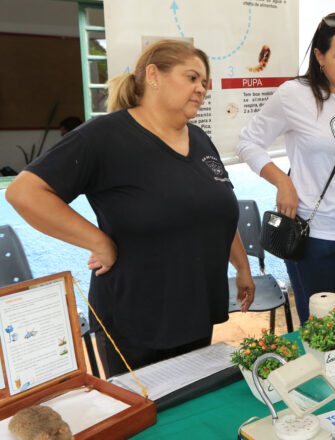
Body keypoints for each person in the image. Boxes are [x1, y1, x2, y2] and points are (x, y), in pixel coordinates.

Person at [6, 40, 255, 378]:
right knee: (144, 417)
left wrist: (241, 267)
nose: (201, 89)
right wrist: (99, 243)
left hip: (195, 307)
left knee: (187, 408)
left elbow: (218, 213)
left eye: (204, 83)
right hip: (135, 316)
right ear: (153, 75)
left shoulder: (199, 139)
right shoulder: (104, 137)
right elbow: (25, 192)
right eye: (192, 77)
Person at [237, 12, 335, 325]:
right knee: (322, 330)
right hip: (315, 238)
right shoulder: (294, 94)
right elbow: (247, 143)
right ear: (319, 56)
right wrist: (282, 181)